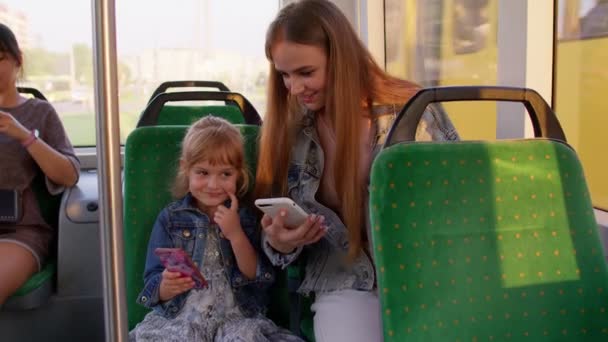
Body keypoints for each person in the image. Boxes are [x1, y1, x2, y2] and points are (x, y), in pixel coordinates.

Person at [255, 1, 459, 341]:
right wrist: (280, 241)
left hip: (425, 273)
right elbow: (278, 230)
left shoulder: (413, 112)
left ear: (342, 60)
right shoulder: (292, 133)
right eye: (285, 75)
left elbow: (459, 201)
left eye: (306, 73)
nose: (293, 88)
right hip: (345, 279)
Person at [129, 116, 303, 341]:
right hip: (182, 318)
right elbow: (153, 281)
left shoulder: (246, 217)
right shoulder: (170, 219)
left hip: (235, 319)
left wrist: (235, 234)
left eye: (225, 174)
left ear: (238, 174)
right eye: (203, 173)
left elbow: (256, 276)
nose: (213, 185)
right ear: (186, 168)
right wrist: (166, 286)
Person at [0, 23, 80, 305]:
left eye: (0, 59)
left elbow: (69, 175)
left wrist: (23, 135)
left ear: (17, 61)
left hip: (20, 231)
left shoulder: (39, 112)